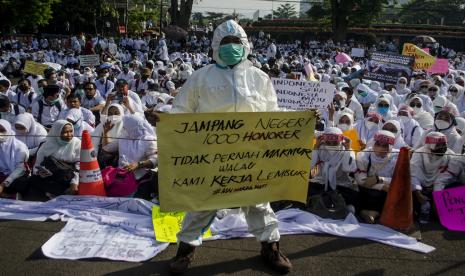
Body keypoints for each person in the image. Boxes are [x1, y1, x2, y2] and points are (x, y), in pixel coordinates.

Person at [169, 20, 292, 274]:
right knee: (203, 204)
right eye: (226, 43)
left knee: (259, 203)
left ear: (245, 45)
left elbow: (272, 114)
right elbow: (181, 112)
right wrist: (164, 120)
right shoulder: (201, 77)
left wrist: (298, 122)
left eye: (236, 42)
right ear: (215, 46)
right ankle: (185, 252)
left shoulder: (260, 78)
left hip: (250, 155)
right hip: (212, 155)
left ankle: (271, 249)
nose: (231, 47)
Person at [100, 114, 157, 197]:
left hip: (140, 177)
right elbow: (107, 148)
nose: (124, 128)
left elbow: (155, 160)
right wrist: (106, 132)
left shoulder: (149, 140)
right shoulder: (124, 137)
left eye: (125, 126)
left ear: (133, 127)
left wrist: (138, 164)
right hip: (121, 176)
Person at [310, 127, 358, 212]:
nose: (331, 143)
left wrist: (347, 150)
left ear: (340, 140)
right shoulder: (320, 149)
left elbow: (347, 168)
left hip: (341, 184)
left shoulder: (347, 151)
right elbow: (310, 165)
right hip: (322, 181)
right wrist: (316, 147)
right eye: (328, 140)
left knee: (352, 196)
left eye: (335, 140)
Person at [355, 130, 399, 224]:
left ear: (390, 147)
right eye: (378, 144)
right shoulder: (363, 156)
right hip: (368, 189)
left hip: (388, 189)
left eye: (384, 146)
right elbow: (362, 181)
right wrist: (382, 186)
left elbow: (399, 180)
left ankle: (373, 213)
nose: (380, 148)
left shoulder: (398, 157)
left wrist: (379, 179)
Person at [410, 132, 454, 224]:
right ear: (429, 146)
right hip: (419, 189)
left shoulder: (450, 155)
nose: (442, 148)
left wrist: (437, 195)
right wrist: (419, 194)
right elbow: (414, 175)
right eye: (438, 145)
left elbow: (447, 177)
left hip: (440, 188)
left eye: (444, 145)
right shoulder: (419, 153)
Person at [30, 120, 80, 198]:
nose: (69, 135)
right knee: (33, 179)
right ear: (56, 132)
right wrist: (40, 172)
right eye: (65, 132)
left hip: (68, 178)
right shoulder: (46, 145)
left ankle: (56, 193)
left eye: (71, 131)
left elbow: (79, 166)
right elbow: (36, 166)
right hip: (51, 177)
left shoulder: (77, 144)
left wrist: (74, 183)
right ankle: (58, 194)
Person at [0, 119, 29, 197]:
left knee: (21, 182)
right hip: (1, 174)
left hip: (14, 176)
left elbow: (20, 169)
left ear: (9, 131)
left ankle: (8, 194)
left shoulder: (19, 147)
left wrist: (3, 184)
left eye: (2, 130)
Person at [92, 103, 124, 168]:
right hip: (103, 159)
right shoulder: (102, 125)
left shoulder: (125, 126)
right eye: (110, 113)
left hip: (120, 159)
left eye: (116, 113)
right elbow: (94, 143)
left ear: (121, 113)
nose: (113, 116)